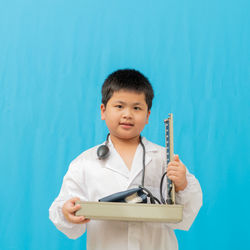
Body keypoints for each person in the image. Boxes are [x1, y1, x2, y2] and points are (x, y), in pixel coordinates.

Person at [49, 69, 202, 250]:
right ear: (103, 111)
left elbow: (185, 215)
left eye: (137, 108)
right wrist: (66, 212)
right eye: (119, 106)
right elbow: (62, 211)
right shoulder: (84, 163)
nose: (127, 114)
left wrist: (182, 184)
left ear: (148, 116)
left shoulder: (164, 159)